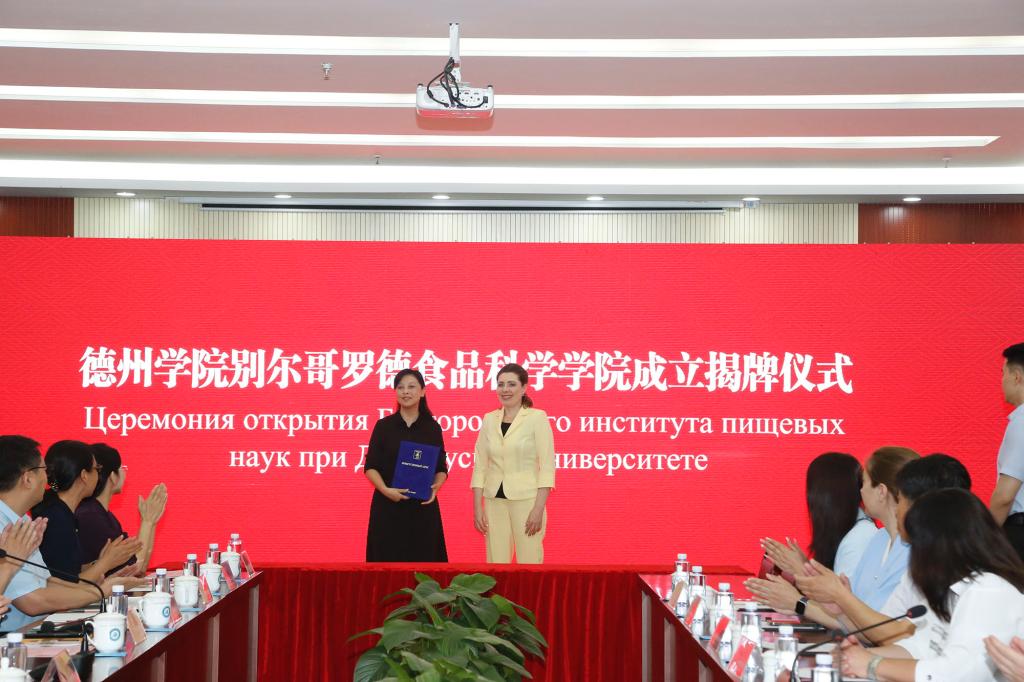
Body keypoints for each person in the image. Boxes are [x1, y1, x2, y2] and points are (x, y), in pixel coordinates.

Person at [840, 489, 1024, 681]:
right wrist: (856, 657)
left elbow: (956, 675)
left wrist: (872, 665)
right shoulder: (954, 587)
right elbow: (919, 648)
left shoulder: (989, 591)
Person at [746, 446, 919, 627]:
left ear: (881, 491)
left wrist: (800, 595)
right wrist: (804, 579)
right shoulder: (879, 540)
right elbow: (850, 613)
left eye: (864, 483)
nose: (860, 492)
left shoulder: (894, 545)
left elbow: (873, 624)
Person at [0, 436, 142, 632]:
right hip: (14, 637)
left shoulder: (22, 520)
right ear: (28, 478)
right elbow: (33, 601)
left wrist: (102, 586)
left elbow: (47, 581)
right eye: (43, 470)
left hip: (39, 629)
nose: (47, 479)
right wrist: (101, 591)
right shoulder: (5, 527)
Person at [471, 363, 555, 564]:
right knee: (496, 563)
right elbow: (480, 465)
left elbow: (547, 466)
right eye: (500, 384)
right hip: (493, 500)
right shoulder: (489, 419)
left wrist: (538, 509)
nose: (505, 389)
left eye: (511, 384)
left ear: (524, 387)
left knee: (530, 561)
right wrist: (478, 508)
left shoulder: (537, 417)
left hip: (527, 500)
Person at [364, 369, 448, 562]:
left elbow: (441, 468)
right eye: (400, 387)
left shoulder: (432, 428)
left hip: (422, 508)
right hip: (388, 506)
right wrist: (386, 490)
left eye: (411, 387)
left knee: (425, 564)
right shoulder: (384, 426)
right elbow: (370, 466)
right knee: (386, 564)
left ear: (422, 391)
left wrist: (436, 487)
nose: (405, 391)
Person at [31, 441, 139, 579]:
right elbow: (65, 582)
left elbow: (70, 570)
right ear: (84, 475)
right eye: (96, 469)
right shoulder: (57, 518)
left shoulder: (64, 513)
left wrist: (102, 562)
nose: (99, 477)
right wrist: (106, 563)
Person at [761, 451, 876, 578]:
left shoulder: (859, 537)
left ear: (822, 497)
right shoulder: (854, 532)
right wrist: (805, 566)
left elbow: (841, 591)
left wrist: (801, 570)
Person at [76, 443, 167, 575]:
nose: (124, 473)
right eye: (122, 468)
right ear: (113, 476)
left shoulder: (103, 514)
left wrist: (150, 522)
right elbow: (134, 568)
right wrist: (147, 522)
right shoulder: (90, 516)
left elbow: (140, 566)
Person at [992, 342, 1024, 560]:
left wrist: (984, 537)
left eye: (1003, 373)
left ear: (1017, 377)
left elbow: (1004, 496)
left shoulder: (1021, 423)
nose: (1002, 381)